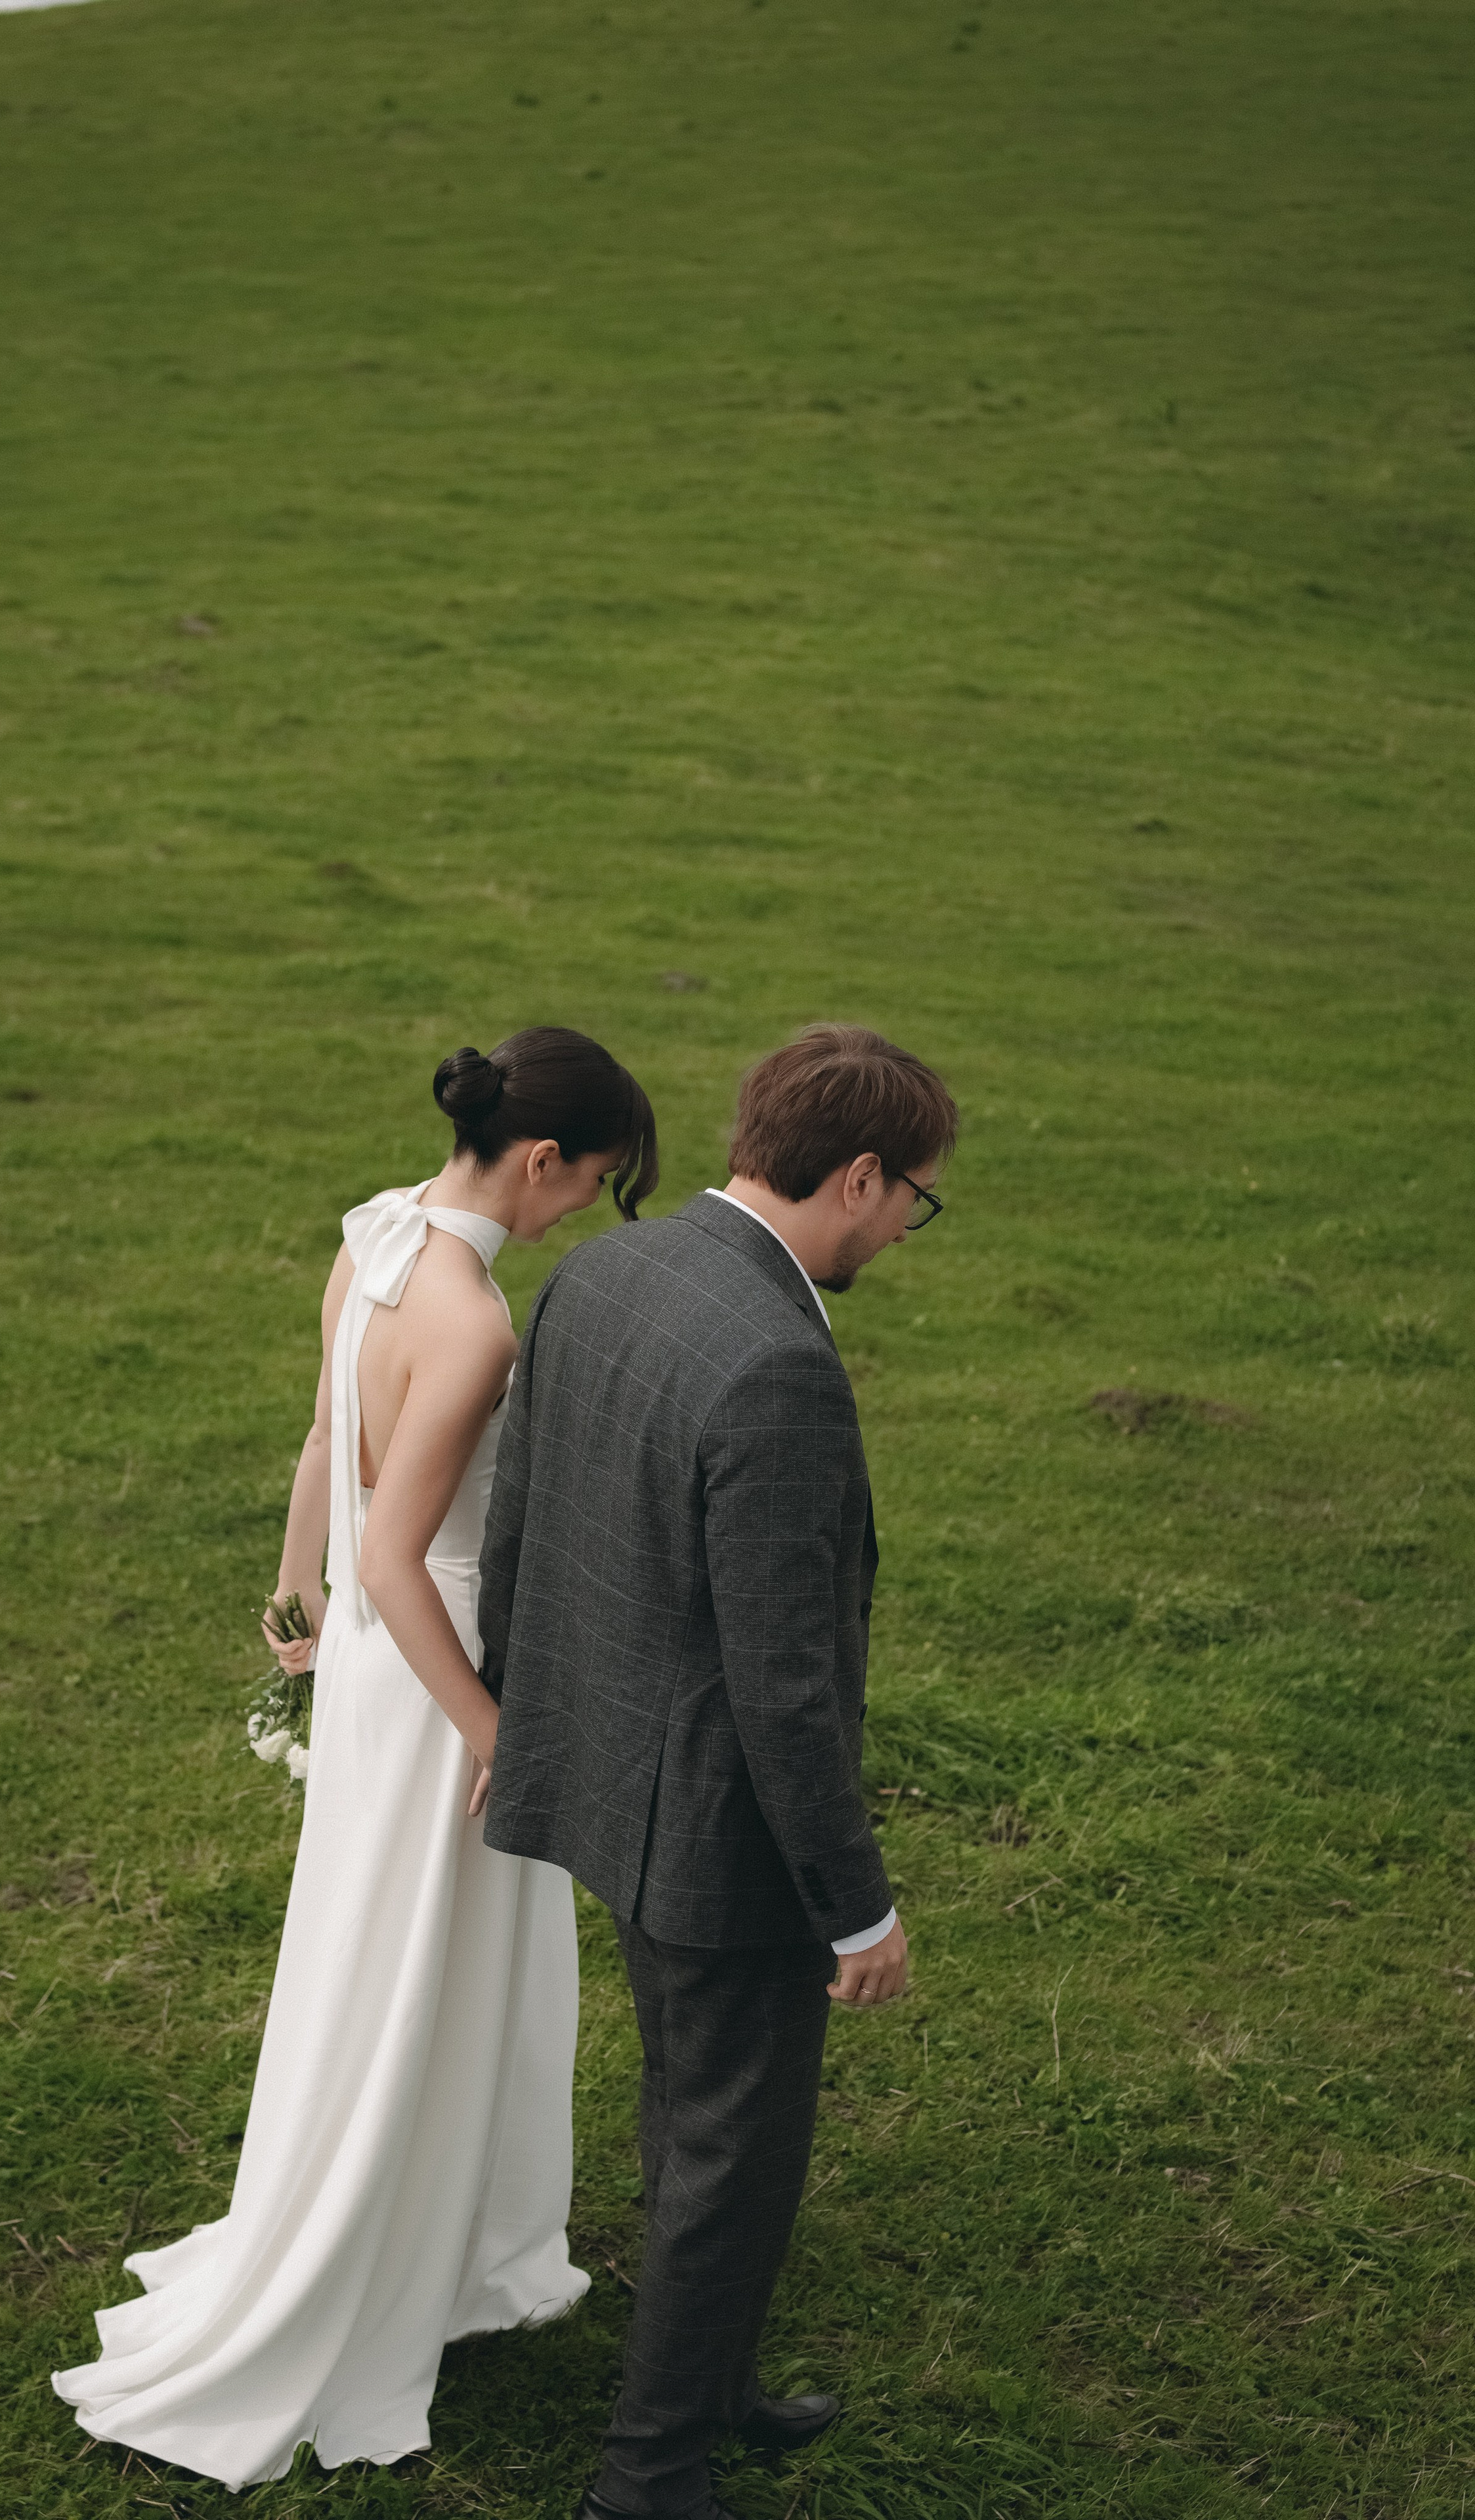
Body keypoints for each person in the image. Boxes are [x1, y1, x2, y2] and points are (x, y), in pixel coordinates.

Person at [54, 1027, 658, 2490]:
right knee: (416, 1975)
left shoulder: (379, 1228)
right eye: (594, 1184)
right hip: (435, 1665)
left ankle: (435, 2233)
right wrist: (496, 1734)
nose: (585, 1209)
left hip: (381, 1674)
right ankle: (392, 2255)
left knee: (383, 1960)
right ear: (539, 1160)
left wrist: (290, 1599)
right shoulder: (471, 1326)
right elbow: (399, 1555)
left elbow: (326, 1444)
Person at [479, 1022, 957, 2520]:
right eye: (911, 1202)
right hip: (712, 1830)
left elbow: (523, 1522)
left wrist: (522, 1715)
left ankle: (713, 2380)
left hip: (608, 1773)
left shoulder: (600, 1270)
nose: (903, 1230)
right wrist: (854, 1908)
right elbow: (785, 1687)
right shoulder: (774, 1369)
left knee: (696, 2114)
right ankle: (649, 2474)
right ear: (858, 1174)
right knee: (730, 2146)